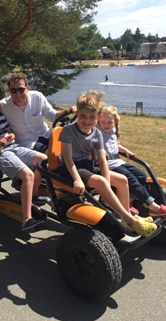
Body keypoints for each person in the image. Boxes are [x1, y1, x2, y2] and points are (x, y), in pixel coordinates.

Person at [58, 90, 157, 237]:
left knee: (122, 180)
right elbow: (67, 158)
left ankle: (125, 214)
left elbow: (102, 159)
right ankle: (130, 220)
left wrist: (107, 179)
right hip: (71, 168)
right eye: (82, 116)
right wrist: (78, 179)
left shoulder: (97, 133)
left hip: (88, 166)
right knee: (101, 181)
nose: (87, 121)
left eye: (92, 117)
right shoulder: (68, 131)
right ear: (77, 113)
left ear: (98, 117)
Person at [0, 88, 49, 232]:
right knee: (27, 175)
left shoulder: (1, 116)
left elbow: (9, 132)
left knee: (44, 160)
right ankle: (27, 220)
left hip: (13, 147)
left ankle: (33, 195)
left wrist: (11, 136)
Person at [97, 104, 166, 216]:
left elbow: (114, 145)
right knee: (131, 180)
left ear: (115, 121)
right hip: (107, 164)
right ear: (99, 120)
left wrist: (125, 150)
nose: (106, 125)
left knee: (141, 176)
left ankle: (128, 201)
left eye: (109, 122)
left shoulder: (112, 131)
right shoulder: (97, 130)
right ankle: (152, 206)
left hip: (117, 161)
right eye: (103, 122)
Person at [0, 72, 76, 152]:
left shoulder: (37, 97)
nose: (18, 94)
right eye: (14, 90)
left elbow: (53, 116)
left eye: (21, 89)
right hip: (27, 143)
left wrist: (68, 111)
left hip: (45, 135)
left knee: (70, 148)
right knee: (50, 153)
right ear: (9, 90)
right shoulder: (3, 105)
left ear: (27, 88)